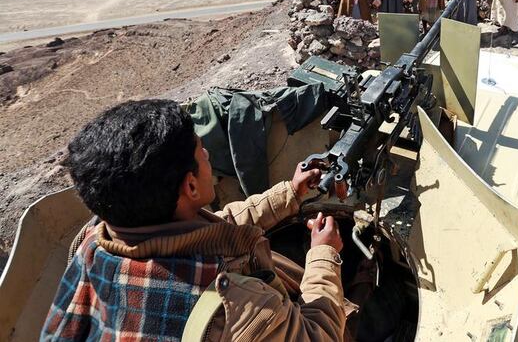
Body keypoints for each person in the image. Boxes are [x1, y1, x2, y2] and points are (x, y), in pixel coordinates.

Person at [42, 99, 346, 341]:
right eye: (202, 151)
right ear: (190, 186)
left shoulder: (94, 241)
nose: (208, 155)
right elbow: (320, 335)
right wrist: (324, 254)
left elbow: (215, 225)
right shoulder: (235, 304)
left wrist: (290, 193)